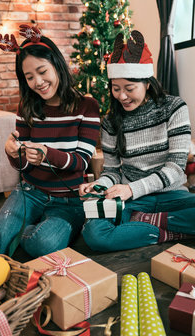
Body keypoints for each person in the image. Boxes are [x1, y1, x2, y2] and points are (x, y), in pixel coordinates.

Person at [0, 24, 100, 258]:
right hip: (30, 192)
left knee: (43, 245)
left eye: (42, 71)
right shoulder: (27, 107)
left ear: (57, 65)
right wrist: (15, 154)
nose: (38, 82)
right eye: (29, 77)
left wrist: (46, 152)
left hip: (69, 200)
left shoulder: (87, 107)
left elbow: (81, 162)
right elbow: (24, 167)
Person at [79, 30, 195, 252]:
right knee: (94, 234)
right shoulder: (111, 122)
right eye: (116, 88)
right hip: (132, 202)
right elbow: (112, 171)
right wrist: (99, 185)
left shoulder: (174, 108)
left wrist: (132, 189)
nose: (121, 96)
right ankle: (170, 230)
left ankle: (148, 224)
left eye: (129, 88)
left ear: (147, 83)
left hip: (171, 195)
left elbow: (176, 167)